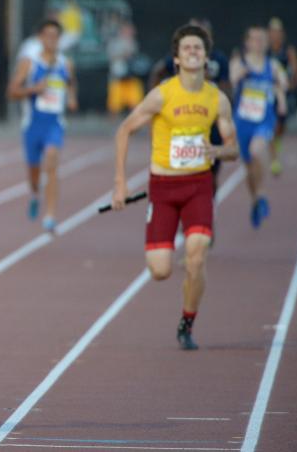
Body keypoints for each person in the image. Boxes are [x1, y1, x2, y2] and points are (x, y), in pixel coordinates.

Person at [111, 24, 238, 350]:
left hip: (198, 185)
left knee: (196, 258)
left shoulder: (217, 99)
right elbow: (125, 130)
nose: (193, 52)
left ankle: (187, 321)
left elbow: (233, 147)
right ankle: (176, 280)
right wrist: (120, 184)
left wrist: (218, 151)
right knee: (160, 270)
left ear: (206, 58)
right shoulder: (162, 95)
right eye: (187, 48)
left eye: (198, 48)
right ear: (177, 59)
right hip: (164, 188)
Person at [7, 19, 78, 232]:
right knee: (34, 173)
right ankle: (35, 193)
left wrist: (72, 97)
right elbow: (12, 91)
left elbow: (71, 83)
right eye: (47, 35)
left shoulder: (66, 64)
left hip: (54, 124)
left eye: (56, 36)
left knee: (52, 162)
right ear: (40, 38)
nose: (52, 40)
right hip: (32, 125)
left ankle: (50, 215)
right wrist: (33, 90)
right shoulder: (29, 63)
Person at [148, 18, 230, 197]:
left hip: (211, 121)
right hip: (184, 120)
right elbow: (158, 71)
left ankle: (207, 207)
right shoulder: (181, 57)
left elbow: (226, 87)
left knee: (210, 173)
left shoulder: (219, 59)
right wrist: (155, 100)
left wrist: (211, 91)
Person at [230, 25, 288, 229]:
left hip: (264, 119)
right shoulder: (239, 62)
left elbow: (283, 83)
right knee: (248, 167)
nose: (259, 43)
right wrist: (241, 73)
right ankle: (255, 200)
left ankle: (261, 193)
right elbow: (233, 77)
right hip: (243, 121)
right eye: (254, 39)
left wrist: (280, 97)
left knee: (256, 152)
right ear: (247, 42)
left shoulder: (272, 65)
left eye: (262, 39)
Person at [267, 17, 297, 176]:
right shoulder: (265, 52)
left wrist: (289, 85)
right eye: (272, 32)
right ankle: (274, 160)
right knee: (271, 127)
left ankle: (277, 142)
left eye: (277, 32)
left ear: (282, 34)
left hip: (284, 95)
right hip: (268, 95)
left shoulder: (288, 51)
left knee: (280, 127)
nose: (275, 35)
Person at [106, 21, 145, 119]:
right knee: (115, 100)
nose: (131, 32)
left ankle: (135, 117)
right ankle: (113, 118)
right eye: (128, 30)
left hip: (130, 75)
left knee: (134, 97)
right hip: (118, 75)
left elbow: (133, 56)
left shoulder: (133, 42)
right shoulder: (115, 42)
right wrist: (123, 54)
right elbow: (112, 56)